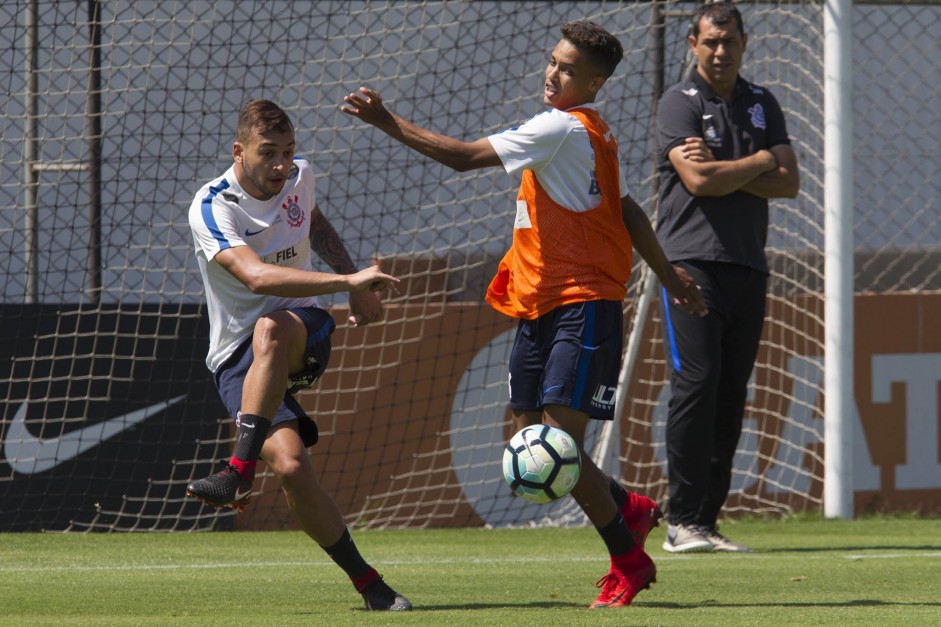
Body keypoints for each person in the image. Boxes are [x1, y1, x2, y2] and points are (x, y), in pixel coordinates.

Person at [341, 21, 706, 608]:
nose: (551, 73)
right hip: (540, 303)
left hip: (582, 304)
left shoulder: (562, 126)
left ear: (594, 81)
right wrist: (667, 275)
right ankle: (627, 506)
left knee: (556, 444)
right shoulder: (591, 133)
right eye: (552, 61)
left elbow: (462, 159)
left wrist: (388, 122)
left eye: (566, 68)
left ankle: (630, 561)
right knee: (533, 438)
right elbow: (629, 210)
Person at [186, 99, 412, 611]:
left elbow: (313, 222)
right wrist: (349, 280)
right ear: (238, 151)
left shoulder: (299, 177)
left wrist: (351, 284)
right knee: (290, 467)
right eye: (269, 153)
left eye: (289, 152)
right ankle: (371, 586)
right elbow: (256, 276)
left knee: (270, 327)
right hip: (234, 357)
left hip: (300, 328)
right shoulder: (212, 204)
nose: (283, 165)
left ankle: (238, 471)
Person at [654, 2, 800, 554]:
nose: (720, 52)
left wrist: (734, 167)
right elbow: (697, 180)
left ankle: (706, 522)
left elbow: (791, 182)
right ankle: (680, 521)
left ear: (744, 43)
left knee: (731, 391)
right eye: (711, 42)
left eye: (730, 42)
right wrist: (762, 161)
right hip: (690, 263)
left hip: (748, 263)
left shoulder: (763, 102)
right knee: (698, 381)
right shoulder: (679, 101)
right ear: (693, 42)